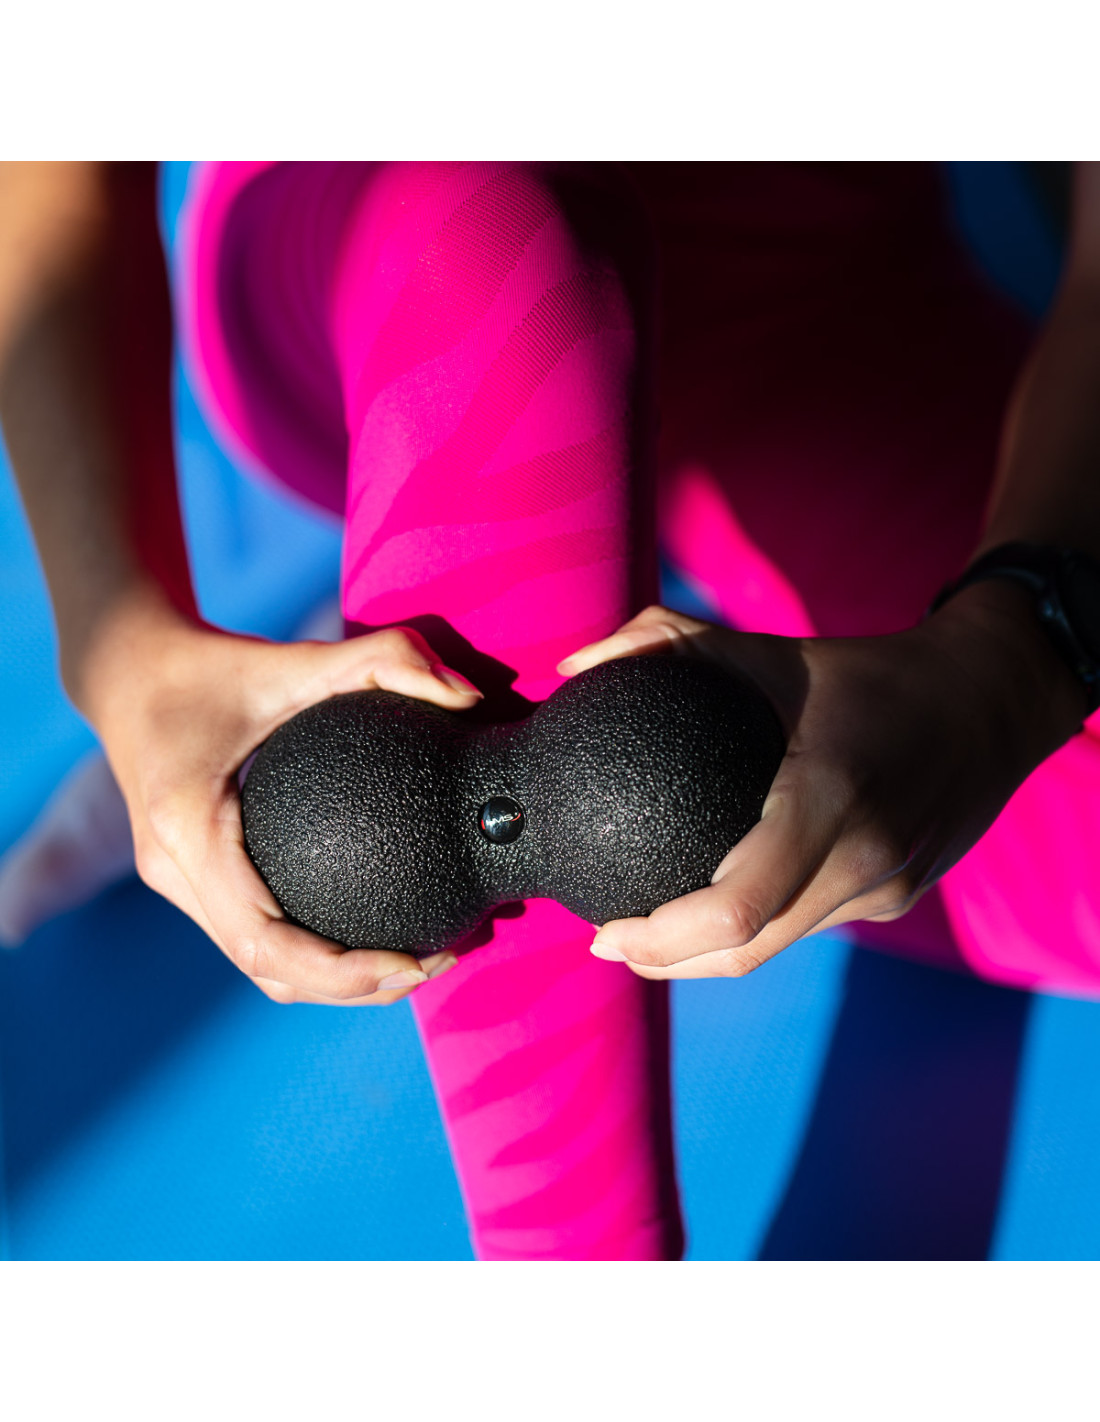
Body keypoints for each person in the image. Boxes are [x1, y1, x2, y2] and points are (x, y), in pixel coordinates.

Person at [1, 161, 1098, 1261]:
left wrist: (1008, 668)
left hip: (811, 308)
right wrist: (122, 645)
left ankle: (436, 598)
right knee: (483, 231)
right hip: (405, 272)